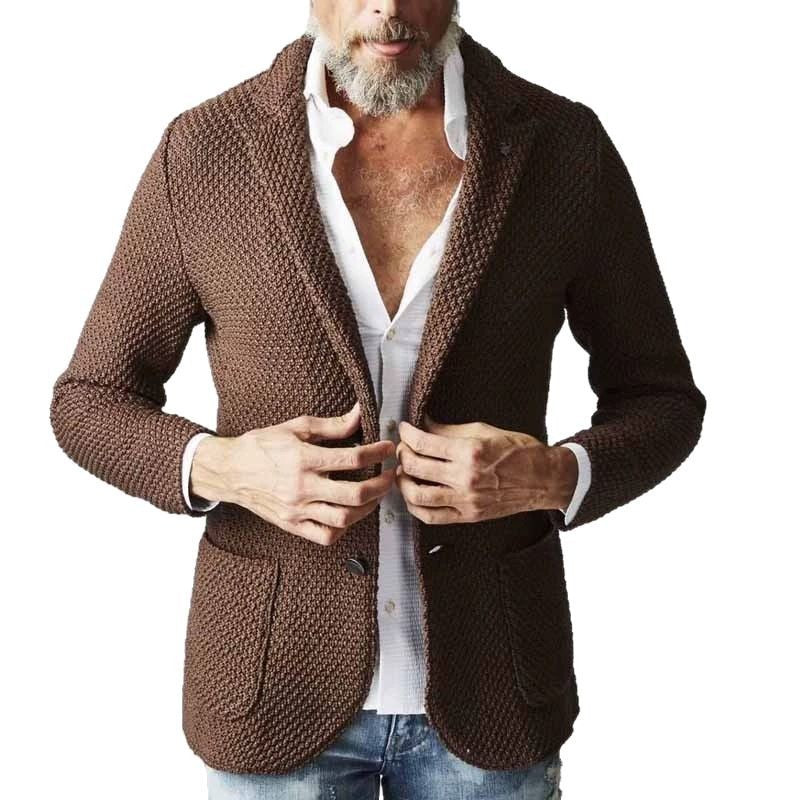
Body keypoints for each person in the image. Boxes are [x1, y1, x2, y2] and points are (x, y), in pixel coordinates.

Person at [49, 1, 706, 797]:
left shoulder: (563, 147)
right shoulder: (205, 152)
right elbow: (89, 400)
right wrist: (229, 470)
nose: (388, 9)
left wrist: (550, 477)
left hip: (494, 691)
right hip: (272, 693)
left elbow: (662, 399)